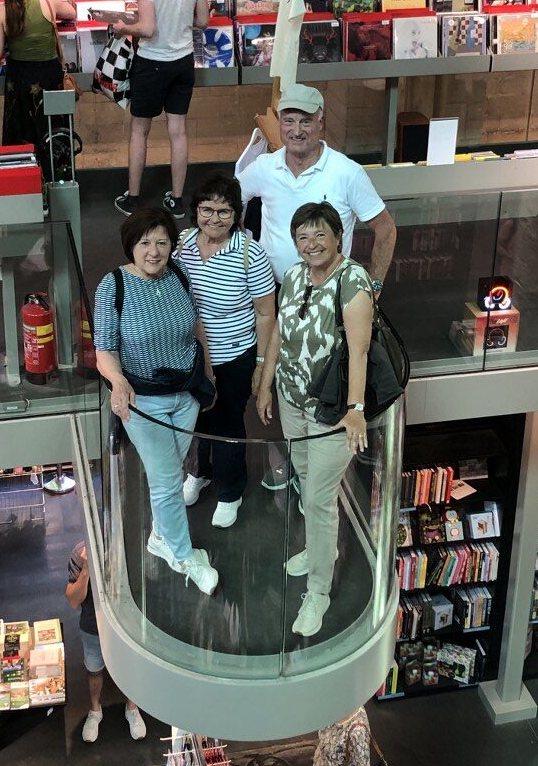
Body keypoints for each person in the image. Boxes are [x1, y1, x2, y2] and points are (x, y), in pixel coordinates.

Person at [237, 83, 396, 491]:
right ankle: (297, 464)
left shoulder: (346, 172)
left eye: (305, 121)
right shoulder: (264, 168)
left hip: (330, 296)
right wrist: (236, 250)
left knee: (328, 377)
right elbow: (229, 201)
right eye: (288, 120)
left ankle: (323, 471)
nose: (296, 130)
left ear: (321, 123)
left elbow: (385, 229)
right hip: (276, 291)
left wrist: (372, 290)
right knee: (285, 375)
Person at [257, 202, 374, 638]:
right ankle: (317, 548)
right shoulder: (293, 276)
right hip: (292, 399)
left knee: (321, 497)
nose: (312, 244)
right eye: (303, 237)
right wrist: (266, 384)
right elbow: (279, 334)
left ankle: (319, 591)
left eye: (320, 234)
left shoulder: (353, 281)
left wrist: (355, 410)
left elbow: (359, 351)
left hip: (331, 408)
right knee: (306, 480)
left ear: (339, 236)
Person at [93, 207, 219, 595]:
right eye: (145, 242)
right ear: (131, 245)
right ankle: (183, 555)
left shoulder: (178, 274)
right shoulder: (113, 286)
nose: (154, 251)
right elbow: (104, 350)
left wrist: (208, 373)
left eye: (162, 242)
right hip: (144, 401)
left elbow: (195, 325)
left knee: (169, 471)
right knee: (166, 482)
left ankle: (160, 536)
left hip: (185, 394)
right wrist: (117, 381)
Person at [174, 171, 276, 528]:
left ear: (236, 215)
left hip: (234, 356)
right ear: (196, 211)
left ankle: (230, 491)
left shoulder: (250, 254)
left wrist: (261, 364)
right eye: (207, 209)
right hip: (190, 354)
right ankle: (199, 473)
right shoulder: (182, 244)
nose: (214, 218)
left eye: (224, 211)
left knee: (228, 423)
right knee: (196, 417)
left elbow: (266, 313)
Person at [112, 0, 209, 219]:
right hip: (183, 61)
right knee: (178, 131)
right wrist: (178, 18)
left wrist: (123, 27)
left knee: (139, 130)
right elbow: (203, 20)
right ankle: (177, 201)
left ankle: (133, 199)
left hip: (152, 61)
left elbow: (148, 28)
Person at [0, 0, 76, 181]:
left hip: (19, 83)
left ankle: (25, 186)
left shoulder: (1, 11)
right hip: (49, 80)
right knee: (54, 133)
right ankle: (59, 184)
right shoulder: (48, 1)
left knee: (21, 136)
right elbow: (71, 13)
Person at [65, 541, 146, 744]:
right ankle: (95, 710)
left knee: (131, 666)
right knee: (94, 669)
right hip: (94, 626)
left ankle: (132, 707)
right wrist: (86, 569)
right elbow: (73, 601)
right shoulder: (80, 552)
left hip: (129, 624)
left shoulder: (133, 543)